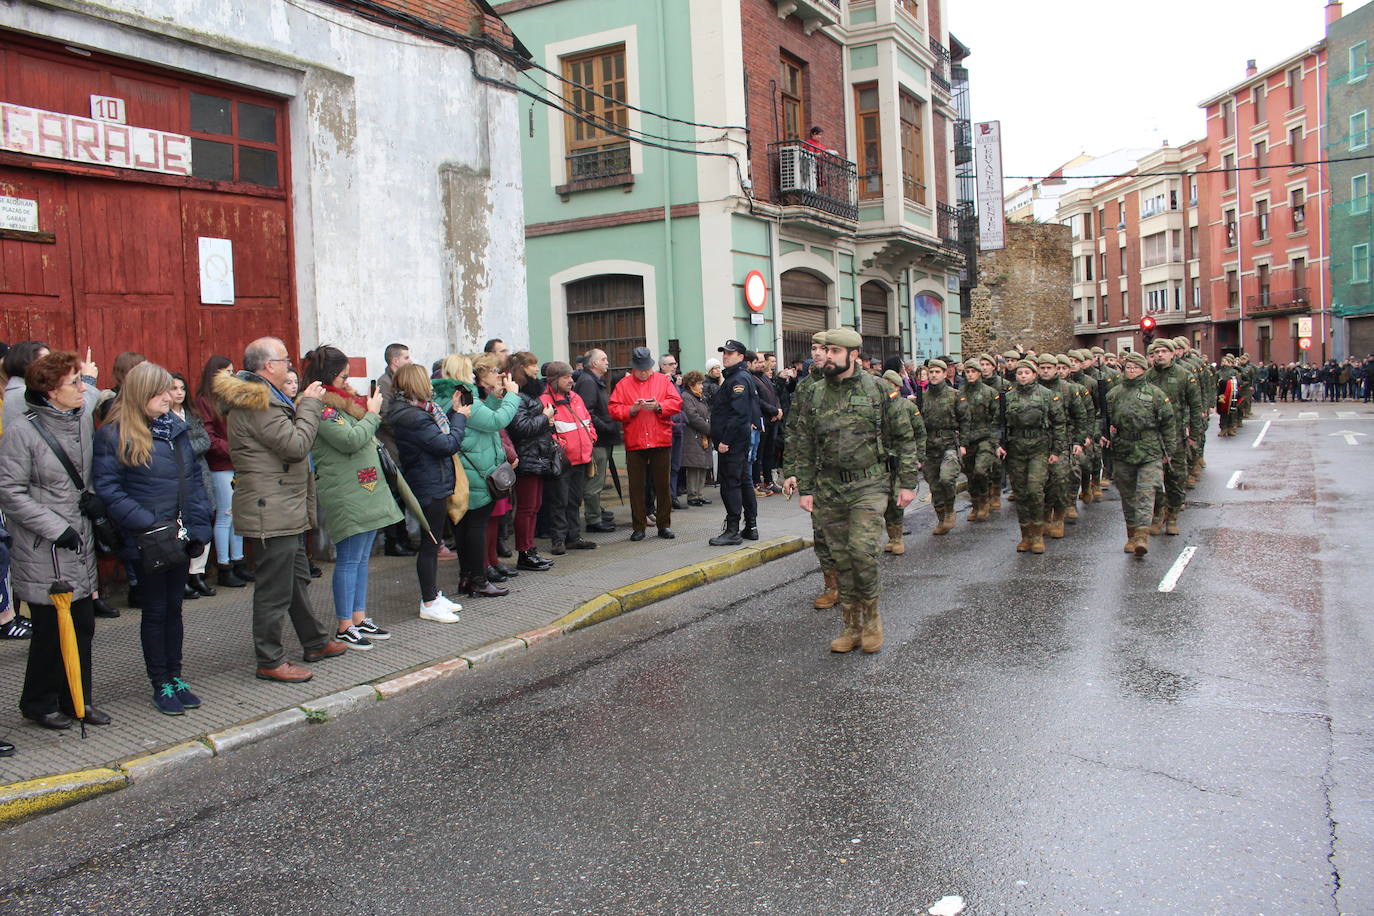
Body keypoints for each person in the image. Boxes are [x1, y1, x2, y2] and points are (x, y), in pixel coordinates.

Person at [213, 338, 345, 683]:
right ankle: (269, 659)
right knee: (274, 589)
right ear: (267, 366)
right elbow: (295, 445)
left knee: (295, 579)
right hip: (270, 507)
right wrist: (311, 406)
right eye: (285, 359)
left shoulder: (269, 398)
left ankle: (314, 641)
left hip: (283, 504)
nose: (290, 365)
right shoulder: (259, 403)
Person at [781, 329, 921, 655]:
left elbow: (904, 437)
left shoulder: (879, 390)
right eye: (825, 350)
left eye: (833, 351)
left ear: (853, 355)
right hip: (829, 487)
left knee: (861, 552)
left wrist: (907, 482)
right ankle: (851, 623)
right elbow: (804, 442)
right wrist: (806, 487)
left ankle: (872, 619)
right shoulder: (814, 394)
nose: (826, 356)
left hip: (869, 484)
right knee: (842, 560)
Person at [0, 350, 113, 734]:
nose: (84, 388)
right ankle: (38, 702)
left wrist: (93, 500)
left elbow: (82, 474)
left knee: (82, 624)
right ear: (50, 391)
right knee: (51, 628)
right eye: (75, 383)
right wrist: (54, 525)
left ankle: (77, 699)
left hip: (77, 539)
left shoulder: (80, 418)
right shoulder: (21, 431)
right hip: (43, 546)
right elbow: (10, 492)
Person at [94, 362, 213, 714]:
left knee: (174, 609)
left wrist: (199, 526)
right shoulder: (114, 433)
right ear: (141, 393)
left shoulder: (174, 428)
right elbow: (109, 489)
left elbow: (192, 482)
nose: (169, 396)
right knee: (156, 611)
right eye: (160, 391)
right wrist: (147, 524)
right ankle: (160, 681)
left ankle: (176, 676)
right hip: (146, 539)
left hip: (177, 536)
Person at [302, 345, 403, 646]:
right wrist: (371, 414)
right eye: (343, 376)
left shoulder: (343, 404)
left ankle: (359, 617)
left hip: (364, 488)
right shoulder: (322, 408)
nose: (348, 382)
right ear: (329, 376)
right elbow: (350, 440)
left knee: (361, 559)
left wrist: (365, 411)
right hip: (346, 492)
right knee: (348, 559)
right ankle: (344, 624)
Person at [388, 363, 478, 614]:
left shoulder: (419, 411)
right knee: (430, 544)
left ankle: (433, 595)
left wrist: (455, 412)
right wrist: (460, 418)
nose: (430, 384)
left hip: (433, 479)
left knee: (434, 540)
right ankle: (428, 602)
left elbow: (438, 435)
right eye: (426, 380)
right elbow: (446, 444)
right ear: (417, 383)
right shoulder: (413, 416)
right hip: (428, 483)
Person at [784, 333, 840, 610]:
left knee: (852, 534)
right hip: (818, 471)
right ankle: (832, 584)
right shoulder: (806, 387)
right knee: (822, 532)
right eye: (815, 348)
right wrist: (791, 470)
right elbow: (794, 429)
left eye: (824, 348)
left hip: (855, 473)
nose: (818, 353)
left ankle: (855, 582)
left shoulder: (858, 383)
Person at [1101, 352, 1176, 556]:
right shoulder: (1114, 394)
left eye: (1136, 367)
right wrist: (1104, 434)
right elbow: (1105, 420)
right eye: (1128, 367)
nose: (1131, 371)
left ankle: (1142, 536)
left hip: (1149, 449)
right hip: (1123, 449)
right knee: (1127, 495)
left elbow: (1168, 423)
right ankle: (1132, 534)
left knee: (1146, 492)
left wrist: (1169, 451)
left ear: (1144, 370)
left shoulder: (1156, 394)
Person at [460, 353, 523, 587]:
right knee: (476, 526)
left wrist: (498, 399)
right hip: (476, 469)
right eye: (495, 371)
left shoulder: (473, 397)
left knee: (482, 523)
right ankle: (478, 576)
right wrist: (512, 397)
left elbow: (488, 418)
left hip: (484, 465)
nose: (499, 375)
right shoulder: (467, 397)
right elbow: (495, 422)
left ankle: (479, 572)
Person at [608, 346, 682, 541]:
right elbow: (613, 409)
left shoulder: (662, 381)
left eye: (646, 369)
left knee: (662, 486)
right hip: (635, 440)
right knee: (636, 487)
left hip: (660, 439)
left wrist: (659, 406)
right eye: (639, 369)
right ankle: (638, 526)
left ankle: (664, 525)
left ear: (651, 366)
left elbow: (677, 403)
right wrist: (631, 410)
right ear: (634, 367)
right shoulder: (623, 384)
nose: (643, 373)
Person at [998, 358, 1068, 554]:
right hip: (1016, 449)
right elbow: (998, 424)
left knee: (1035, 490)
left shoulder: (1048, 396)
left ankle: (1037, 534)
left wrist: (1056, 451)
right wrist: (999, 444)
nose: (1022, 376)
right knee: (1020, 493)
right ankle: (1025, 535)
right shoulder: (1008, 397)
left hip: (1040, 447)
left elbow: (1059, 424)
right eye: (1020, 373)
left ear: (1034, 375)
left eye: (1026, 373)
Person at [194, 355, 252, 588]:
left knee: (237, 516)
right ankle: (224, 565)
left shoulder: (230, 398)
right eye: (227, 371)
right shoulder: (205, 401)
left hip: (235, 464)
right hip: (221, 466)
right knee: (225, 517)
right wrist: (235, 450)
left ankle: (238, 561)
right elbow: (210, 438)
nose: (232, 375)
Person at [506, 351, 562, 569]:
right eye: (532, 365)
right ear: (521, 368)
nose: (537, 369)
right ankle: (524, 552)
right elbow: (521, 427)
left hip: (537, 454)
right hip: (527, 456)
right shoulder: (519, 396)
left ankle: (530, 549)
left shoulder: (528, 394)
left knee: (535, 506)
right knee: (527, 507)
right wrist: (545, 417)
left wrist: (544, 421)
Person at [1144, 340, 1202, 537]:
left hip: (1175, 435)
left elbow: (1195, 407)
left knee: (1175, 478)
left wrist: (1195, 434)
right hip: (1151, 437)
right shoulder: (1147, 377)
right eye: (1156, 352)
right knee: (1152, 480)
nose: (1160, 355)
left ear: (1172, 354)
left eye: (1164, 351)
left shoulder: (1184, 375)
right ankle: (1157, 514)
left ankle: (1173, 516)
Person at [540, 361, 598, 554]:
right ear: (554, 380)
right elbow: (547, 430)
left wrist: (591, 438)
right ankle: (558, 539)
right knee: (559, 501)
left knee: (574, 499)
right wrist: (562, 448)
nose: (571, 381)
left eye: (571, 377)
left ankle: (573, 537)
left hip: (580, 458)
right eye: (566, 377)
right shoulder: (545, 400)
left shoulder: (575, 397)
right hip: (563, 460)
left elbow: (587, 421)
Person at [168, 372, 216, 599]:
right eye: (174, 388)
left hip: (199, 474)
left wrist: (182, 448)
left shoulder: (192, 415)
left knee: (203, 519)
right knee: (180, 524)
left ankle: (198, 573)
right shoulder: (163, 416)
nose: (179, 392)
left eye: (182, 388)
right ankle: (184, 575)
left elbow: (204, 441)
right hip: (177, 477)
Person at [708, 340, 759, 546]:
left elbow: (738, 415)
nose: (725, 356)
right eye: (724, 353)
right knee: (744, 481)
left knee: (730, 484)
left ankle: (733, 530)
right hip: (737, 441)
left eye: (730, 353)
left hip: (732, 443)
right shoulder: (735, 377)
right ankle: (751, 526)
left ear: (741, 356)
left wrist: (725, 441)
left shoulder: (738, 379)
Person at [879, 370, 926, 555]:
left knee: (896, 498)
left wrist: (918, 458)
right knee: (885, 500)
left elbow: (920, 433)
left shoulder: (907, 407)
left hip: (901, 458)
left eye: (889, 384)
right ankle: (891, 536)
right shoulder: (878, 407)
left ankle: (897, 538)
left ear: (897, 386)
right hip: (882, 459)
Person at [375, 342, 416, 558]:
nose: (411, 361)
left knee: (403, 495)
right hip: (392, 446)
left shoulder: (400, 382)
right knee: (394, 495)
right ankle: (394, 541)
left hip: (402, 446)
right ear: (395, 361)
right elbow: (385, 417)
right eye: (407, 357)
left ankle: (404, 538)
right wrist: (408, 426)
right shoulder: (384, 384)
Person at [573, 348, 620, 533]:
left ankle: (596, 514)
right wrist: (607, 427)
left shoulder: (593, 381)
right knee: (594, 482)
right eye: (604, 359)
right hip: (597, 441)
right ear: (594, 363)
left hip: (601, 439)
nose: (607, 362)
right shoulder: (587, 382)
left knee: (596, 481)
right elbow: (587, 413)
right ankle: (593, 519)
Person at [920, 359, 963, 535]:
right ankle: (941, 518)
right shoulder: (922, 397)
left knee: (947, 478)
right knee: (934, 485)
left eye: (938, 372)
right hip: (930, 446)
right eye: (931, 372)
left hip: (949, 443)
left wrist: (964, 444)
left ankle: (950, 510)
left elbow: (965, 421)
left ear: (945, 374)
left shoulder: (955, 395)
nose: (934, 375)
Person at [957, 360, 1000, 524]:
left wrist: (996, 441)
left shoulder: (989, 392)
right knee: (970, 474)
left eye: (973, 371)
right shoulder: (960, 393)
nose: (970, 374)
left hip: (985, 438)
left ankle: (984, 501)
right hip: (967, 439)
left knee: (980, 470)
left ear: (979, 373)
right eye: (967, 372)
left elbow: (996, 417)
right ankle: (975, 504)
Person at [679, 371, 713, 507]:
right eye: (699, 383)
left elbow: (707, 413)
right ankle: (692, 495)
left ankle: (700, 494)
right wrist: (708, 429)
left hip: (702, 436)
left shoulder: (700, 397)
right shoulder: (687, 397)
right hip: (693, 435)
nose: (702, 386)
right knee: (694, 466)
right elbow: (692, 417)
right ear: (691, 384)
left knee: (702, 465)